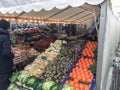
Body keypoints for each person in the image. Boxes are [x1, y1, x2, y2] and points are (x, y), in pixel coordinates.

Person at [0, 19, 14, 90]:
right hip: (4, 66)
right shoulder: (5, 37)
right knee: (3, 83)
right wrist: (12, 55)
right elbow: (6, 53)